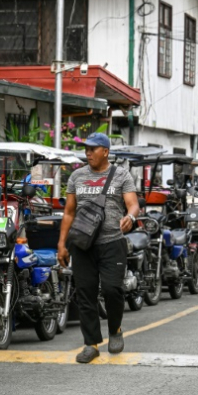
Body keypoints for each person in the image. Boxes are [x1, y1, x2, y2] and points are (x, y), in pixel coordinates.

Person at [57, 132, 140, 364]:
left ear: (105, 151)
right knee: (85, 293)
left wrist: (130, 218)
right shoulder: (76, 176)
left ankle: (115, 330)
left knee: (113, 289)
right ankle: (90, 344)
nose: (88, 153)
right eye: (86, 149)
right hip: (82, 244)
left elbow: (133, 205)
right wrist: (62, 244)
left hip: (112, 242)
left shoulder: (121, 175)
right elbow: (69, 212)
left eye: (93, 149)